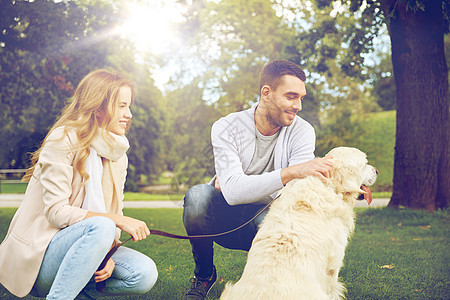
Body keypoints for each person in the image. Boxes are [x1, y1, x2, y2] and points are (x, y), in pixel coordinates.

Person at [182, 60, 334, 299]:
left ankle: (278, 286)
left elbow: (297, 194)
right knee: (198, 196)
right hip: (225, 220)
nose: (298, 106)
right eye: (291, 96)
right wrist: (291, 172)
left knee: (285, 219)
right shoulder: (226, 126)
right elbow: (232, 193)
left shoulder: (303, 131)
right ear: (266, 93)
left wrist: (241, 185)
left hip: (270, 221)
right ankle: (204, 276)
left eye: (301, 98)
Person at [0, 69, 158, 299]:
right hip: (40, 256)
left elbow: (113, 213)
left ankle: (74, 287)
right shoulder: (63, 139)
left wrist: (108, 254)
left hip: (87, 244)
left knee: (144, 273)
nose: (129, 114)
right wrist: (117, 221)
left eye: (129, 105)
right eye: (121, 106)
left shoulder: (117, 154)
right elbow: (56, 212)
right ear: (98, 107)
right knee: (102, 224)